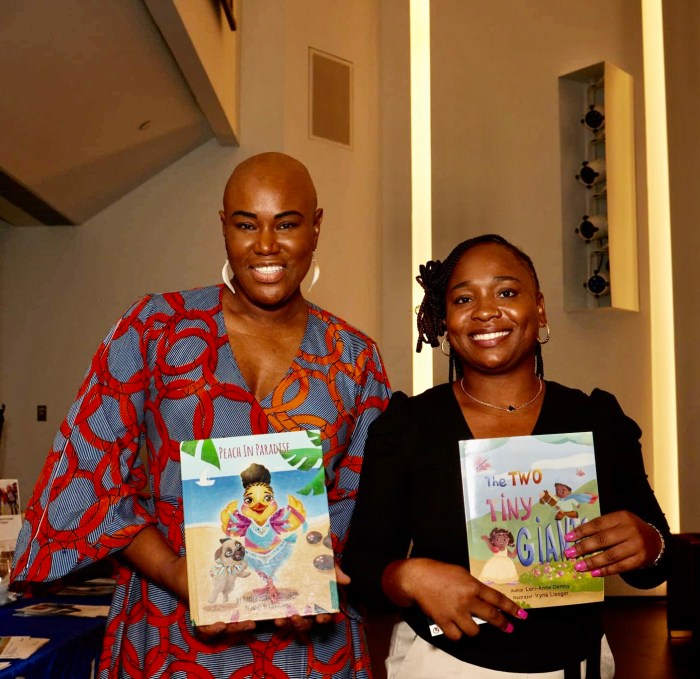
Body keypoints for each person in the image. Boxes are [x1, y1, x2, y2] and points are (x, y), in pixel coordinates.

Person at [12, 152, 392, 678]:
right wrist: (174, 570)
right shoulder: (155, 330)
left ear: (316, 226)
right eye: (245, 224)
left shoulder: (354, 358)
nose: (265, 245)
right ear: (223, 227)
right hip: (170, 629)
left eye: (286, 223)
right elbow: (88, 480)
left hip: (308, 644)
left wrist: (324, 577)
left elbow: (366, 507)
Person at [343, 234, 670, 679]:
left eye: (506, 292)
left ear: (539, 308)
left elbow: (654, 567)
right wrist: (409, 577)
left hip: (577, 665)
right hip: (445, 664)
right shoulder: (407, 425)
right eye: (463, 298)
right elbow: (362, 564)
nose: (485, 310)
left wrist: (648, 543)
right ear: (445, 321)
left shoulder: (596, 418)